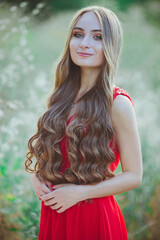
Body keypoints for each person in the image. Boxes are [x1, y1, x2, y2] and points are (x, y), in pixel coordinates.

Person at [25, 5, 143, 240]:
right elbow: (53, 156)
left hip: (93, 217)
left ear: (111, 45)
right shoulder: (61, 96)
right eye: (78, 34)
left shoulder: (117, 103)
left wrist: (80, 193)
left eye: (97, 37)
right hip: (55, 213)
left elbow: (134, 175)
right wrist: (37, 177)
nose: (84, 43)